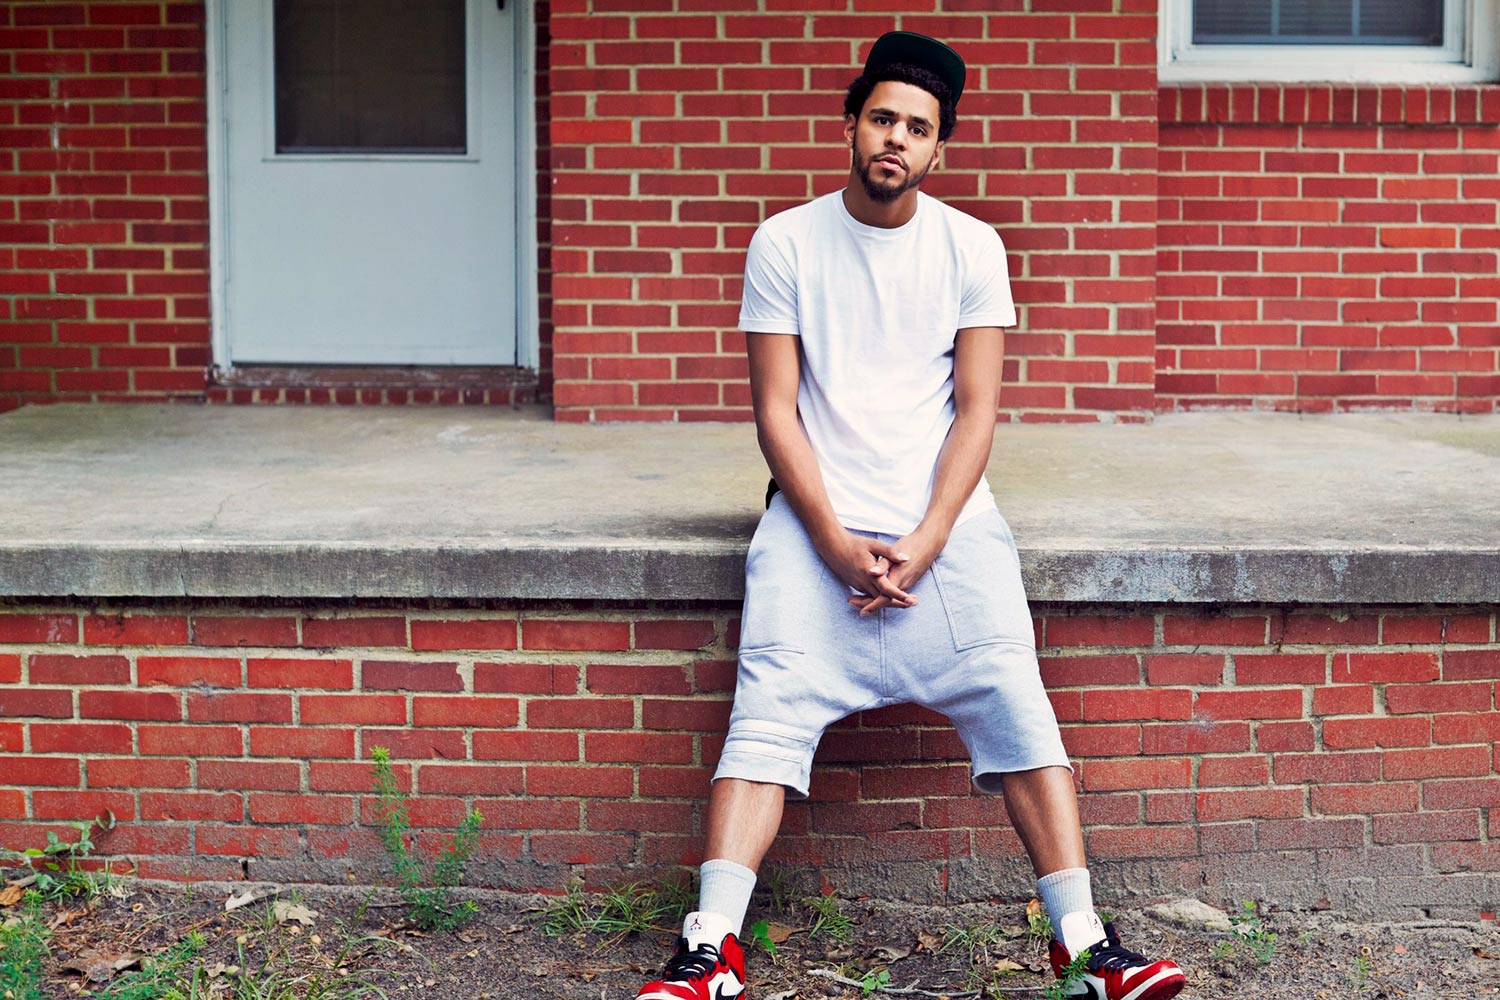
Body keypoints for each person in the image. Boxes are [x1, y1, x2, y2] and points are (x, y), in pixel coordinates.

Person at [636, 31, 1186, 1000]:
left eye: (918, 128)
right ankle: (708, 948)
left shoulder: (971, 246)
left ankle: (1085, 946)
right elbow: (775, 411)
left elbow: (977, 411)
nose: (896, 138)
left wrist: (927, 541)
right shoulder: (786, 241)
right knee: (763, 715)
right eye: (883, 117)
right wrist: (834, 539)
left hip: (947, 522)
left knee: (1017, 698)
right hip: (816, 521)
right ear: (851, 123)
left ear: (942, 149)